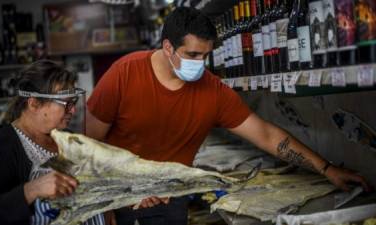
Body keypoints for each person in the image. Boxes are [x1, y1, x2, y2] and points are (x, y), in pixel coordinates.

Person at [86, 7, 371, 225]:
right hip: (119, 198)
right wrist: (118, 194)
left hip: (171, 199)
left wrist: (327, 169)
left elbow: (266, 135)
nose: (200, 64)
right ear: (168, 47)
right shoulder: (124, 74)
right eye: (193, 55)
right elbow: (87, 146)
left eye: (206, 56)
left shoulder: (212, 90)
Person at [0, 60, 106, 225]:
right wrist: (32, 190)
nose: (72, 110)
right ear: (34, 103)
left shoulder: (68, 138)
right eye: (66, 103)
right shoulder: (4, 146)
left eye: (73, 102)